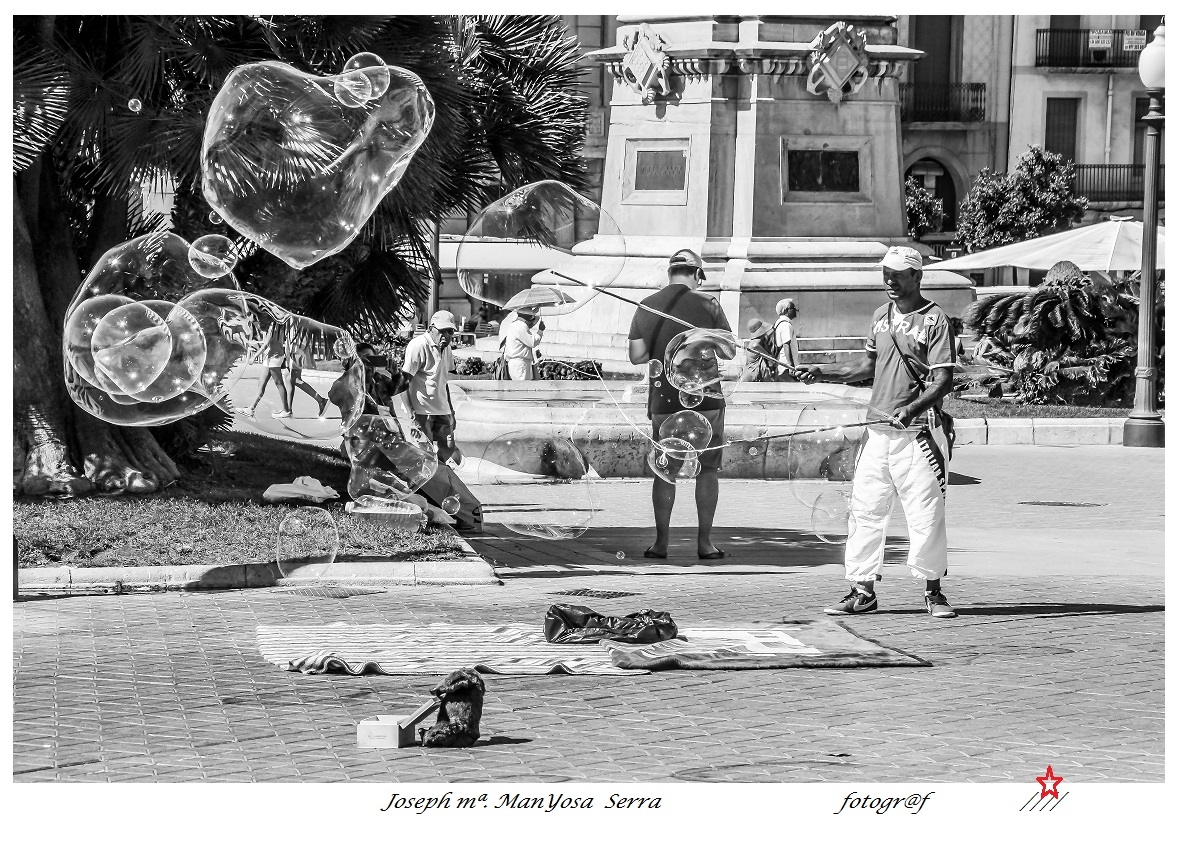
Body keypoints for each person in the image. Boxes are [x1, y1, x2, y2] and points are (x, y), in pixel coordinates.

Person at [799, 246, 958, 619]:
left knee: (925, 514)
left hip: (919, 434)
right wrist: (823, 372)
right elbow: (866, 365)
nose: (890, 279)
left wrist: (912, 408)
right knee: (865, 512)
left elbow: (943, 380)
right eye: (886, 272)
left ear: (918, 277)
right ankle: (861, 590)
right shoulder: (879, 316)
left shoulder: (935, 320)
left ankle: (934, 592)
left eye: (899, 273)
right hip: (877, 433)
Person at [627, 249, 731, 560]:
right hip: (708, 400)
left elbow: (636, 356)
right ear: (698, 275)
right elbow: (728, 351)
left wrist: (663, 346)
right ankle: (705, 544)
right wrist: (703, 339)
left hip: (664, 399)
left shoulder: (646, 306)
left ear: (669, 273)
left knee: (665, 471)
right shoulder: (709, 304)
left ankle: (660, 544)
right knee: (708, 471)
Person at [401, 310, 462, 464]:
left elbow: (443, 381)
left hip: (441, 407)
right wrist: (411, 415)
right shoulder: (418, 345)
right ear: (431, 329)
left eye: (450, 331)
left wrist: (451, 410)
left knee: (448, 447)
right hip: (421, 410)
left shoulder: (446, 347)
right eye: (442, 331)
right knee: (423, 451)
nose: (446, 336)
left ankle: (435, 472)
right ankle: (428, 479)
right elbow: (403, 382)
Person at [239, 324, 329, 419]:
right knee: (289, 379)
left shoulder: (283, 324)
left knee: (293, 379)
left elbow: (273, 342)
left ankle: (318, 401)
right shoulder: (281, 323)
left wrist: (255, 356)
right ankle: (287, 410)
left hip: (295, 350)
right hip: (289, 351)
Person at [501, 306, 545, 380]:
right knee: (523, 387)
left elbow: (529, 325)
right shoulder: (521, 326)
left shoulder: (515, 324)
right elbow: (532, 342)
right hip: (520, 364)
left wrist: (537, 309)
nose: (532, 316)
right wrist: (540, 331)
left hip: (517, 363)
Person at [739, 318, 781, 382]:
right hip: (753, 374)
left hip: (749, 372)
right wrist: (769, 357)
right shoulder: (756, 341)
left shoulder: (753, 341)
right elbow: (755, 345)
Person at [773, 298, 802, 377]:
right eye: (793, 308)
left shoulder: (779, 323)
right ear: (785, 311)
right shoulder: (786, 325)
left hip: (782, 365)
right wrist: (791, 366)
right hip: (785, 366)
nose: (796, 310)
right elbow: (786, 345)